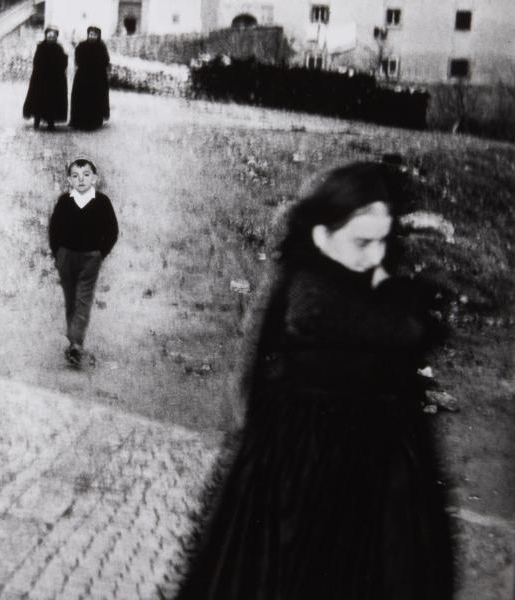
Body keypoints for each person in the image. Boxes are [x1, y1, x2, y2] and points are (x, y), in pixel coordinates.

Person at [176, 162, 454, 600]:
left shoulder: (327, 275)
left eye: (384, 240)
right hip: (310, 482)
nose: (377, 256)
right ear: (322, 235)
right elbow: (409, 329)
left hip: (357, 481)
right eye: (363, 242)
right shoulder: (312, 295)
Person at [48, 158, 118, 367]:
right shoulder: (64, 202)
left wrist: (100, 253)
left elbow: (112, 231)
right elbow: (55, 229)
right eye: (76, 176)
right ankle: (74, 341)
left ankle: (76, 343)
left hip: (90, 257)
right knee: (71, 298)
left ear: (94, 178)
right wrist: (58, 253)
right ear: (70, 180)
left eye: (86, 175)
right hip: (66, 256)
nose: (81, 180)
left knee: (83, 299)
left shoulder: (102, 202)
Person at [23, 26, 68, 131]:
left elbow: (63, 63)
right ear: (46, 36)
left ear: (56, 37)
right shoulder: (40, 47)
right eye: (49, 36)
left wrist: (61, 65)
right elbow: (36, 62)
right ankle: (37, 121)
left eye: (53, 36)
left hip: (54, 80)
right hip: (41, 79)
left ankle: (50, 123)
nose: (51, 38)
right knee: (39, 100)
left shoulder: (59, 48)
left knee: (52, 102)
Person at [69, 26, 110, 131]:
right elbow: (78, 59)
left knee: (95, 98)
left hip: (97, 77)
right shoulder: (82, 46)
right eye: (90, 34)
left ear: (98, 36)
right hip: (83, 76)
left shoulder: (101, 47)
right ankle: (79, 121)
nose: (92, 36)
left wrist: (97, 66)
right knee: (82, 97)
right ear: (88, 34)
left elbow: (106, 61)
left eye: (94, 35)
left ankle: (95, 121)